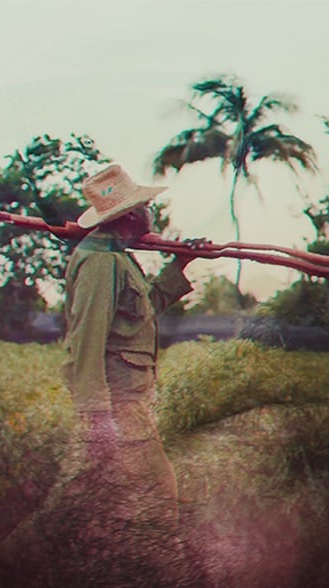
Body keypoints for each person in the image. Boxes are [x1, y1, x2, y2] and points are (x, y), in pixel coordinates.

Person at [60, 164, 196, 527]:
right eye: (146, 206)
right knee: (159, 490)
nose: (151, 212)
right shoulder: (101, 261)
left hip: (126, 404)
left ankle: (14, 559)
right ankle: (171, 570)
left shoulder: (117, 256)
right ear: (133, 215)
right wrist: (98, 417)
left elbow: (143, 309)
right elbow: (87, 338)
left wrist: (180, 265)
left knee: (83, 494)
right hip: (119, 408)